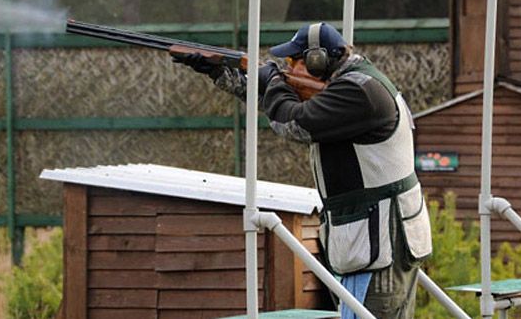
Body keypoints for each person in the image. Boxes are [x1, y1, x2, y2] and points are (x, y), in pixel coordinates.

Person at [174, 22, 432, 318]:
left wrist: (273, 80)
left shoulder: (358, 92)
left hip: (381, 244)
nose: (289, 68)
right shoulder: (351, 83)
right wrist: (218, 72)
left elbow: (292, 121)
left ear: (317, 60)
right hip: (373, 240)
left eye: (294, 61)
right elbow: (277, 104)